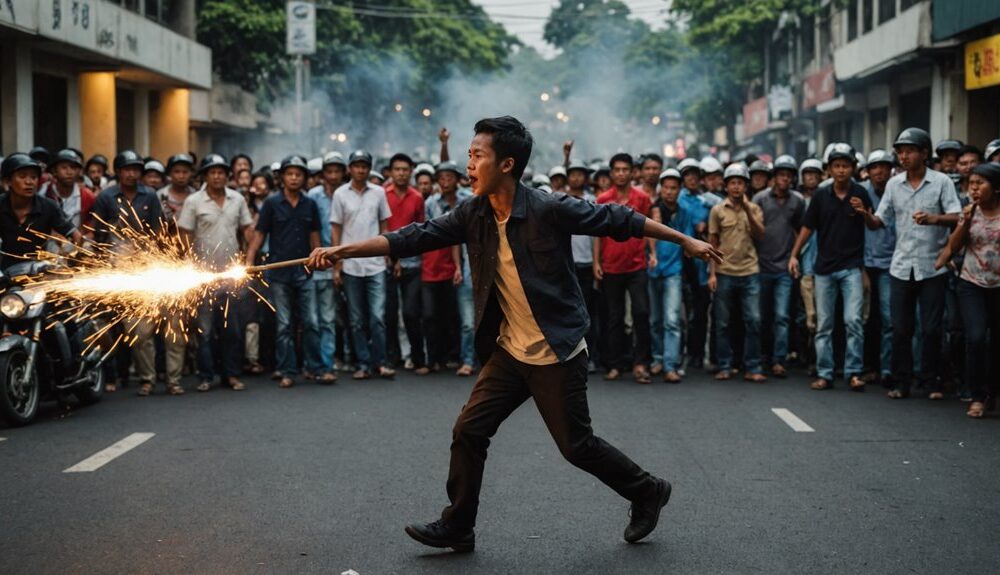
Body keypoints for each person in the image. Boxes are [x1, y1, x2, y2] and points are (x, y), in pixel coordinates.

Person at [307, 115, 723, 552]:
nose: (468, 164)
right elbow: (411, 238)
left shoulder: (548, 208)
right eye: (468, 155)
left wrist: (686, 241)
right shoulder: (472, 214)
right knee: (469, 430)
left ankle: (647, 490)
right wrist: (341, 251)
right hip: (509, 351)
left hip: (556, 350)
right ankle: (458, 525)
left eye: (477, 155)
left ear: (506, 164)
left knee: (576, 447)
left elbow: (620, 219)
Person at [859, 128, 962, 400]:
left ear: (925, 153)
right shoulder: (894, 184)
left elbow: (958, 217)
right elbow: (879, 221)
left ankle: (930, 381)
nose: (903, 156)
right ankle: (901, 381)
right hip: (901, 265)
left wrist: (933, 219)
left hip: (932, 265)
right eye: (900, 151)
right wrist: (864, 215)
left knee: (930, 329)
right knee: (900, 328)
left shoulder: (941, 182)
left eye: (909, 150)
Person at [789, 144, 870, 391]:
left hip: (851, 267)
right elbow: (806, 228)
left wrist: (864, 213)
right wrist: (794, 255)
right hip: (823, 268)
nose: (841, 170)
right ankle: (825, 372)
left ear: (853, 168)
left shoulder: (860, 194)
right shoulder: (821, 196)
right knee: (824, 324)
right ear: (829, 170)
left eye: (846, 165)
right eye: (837, 166)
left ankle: (854, 372)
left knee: (853, 320)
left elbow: (876, 224)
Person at [244, 155, 322, 389]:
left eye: (299, 174)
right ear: (283, 178)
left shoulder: (310, 204)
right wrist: (249, 260)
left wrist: (317, 260)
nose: (294, 177)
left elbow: (315, 238)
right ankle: (287, 370)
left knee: (311, 322)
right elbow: (259, 236)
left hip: (304, 273)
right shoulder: (271, 203)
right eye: (290, 173)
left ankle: (315, 368)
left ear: (304, 178)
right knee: (285, 324)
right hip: (278, 275)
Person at [178, 154, 254, 392]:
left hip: (231, 274)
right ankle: (206, 376)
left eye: (221, 172)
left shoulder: (237, 199)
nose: (218, 176)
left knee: (231, 328)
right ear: (205, 176)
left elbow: (247, 230)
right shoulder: (194, 201)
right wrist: (188, 264)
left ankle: (231, 375)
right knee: (205, 330)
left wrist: (249, 259)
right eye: (213, 172)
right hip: (203, 275)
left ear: (226, 175)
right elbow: (185, 234)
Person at [92, 150, 164, 393]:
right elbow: (98, 236)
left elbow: (158, 233)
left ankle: (147, 379)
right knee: (111, 327)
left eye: (136, 169)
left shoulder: (150, 196)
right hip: (113, 269)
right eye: (127, 169)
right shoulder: (106, 197)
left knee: (142, 330)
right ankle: (113, 376)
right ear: (118, 172)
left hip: (142, 269)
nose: (132, 173)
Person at [935, 163, 1000, 418]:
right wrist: (966, 221)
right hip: (971, 282)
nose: (973, 188)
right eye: (971, 183)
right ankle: (975, 395)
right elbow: (954, 246)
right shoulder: (968, 212)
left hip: (998, 286)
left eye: (980, 183)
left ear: (995, 188)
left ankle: (991, 391)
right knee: (975, 337)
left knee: (996, 341)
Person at [331, 150, 394, 380]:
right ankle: (363, 363)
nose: (360, 170)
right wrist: (336, 265)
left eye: (364, 166)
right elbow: (335, 229)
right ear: (350, 168)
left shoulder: (379, 192)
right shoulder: (340, 194)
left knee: (377, 316)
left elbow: (384, 225)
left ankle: (381, 362)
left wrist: (388, 253)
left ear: (369, 168)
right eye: (356, 166)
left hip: (376, 264)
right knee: (357, 320)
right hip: (350, 266)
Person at [595, 152, 654, 384]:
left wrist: (653, 254)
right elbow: (597, 234)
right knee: (614, 317)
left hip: (637, 264)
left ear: (632, 172)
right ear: (611, 173)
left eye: (624, 169)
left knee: (641, 313)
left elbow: (650, 229)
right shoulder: (602, 199)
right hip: (611, 265)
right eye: (617, 169)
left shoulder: (642, 198)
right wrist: (597, 262)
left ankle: (641, 363)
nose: (621, 173)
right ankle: (615, 364)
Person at [708, 163, 766, 382]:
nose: (736, 187)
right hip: (724, 271)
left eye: (740, 183)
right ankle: (725, 365)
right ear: (726, 186)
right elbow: (712, 244)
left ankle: (753, 366)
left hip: (750, 271)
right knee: (723, 322)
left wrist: (748, 210)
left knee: (753, 320)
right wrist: (712, 274)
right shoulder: (717, 210)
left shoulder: (754, 208)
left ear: (746, 186)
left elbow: (761, 234)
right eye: (732, 183)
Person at [752, 155, 804, 378]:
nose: (785, 179)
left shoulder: (798, 200)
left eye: (789, 176)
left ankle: (779, 360)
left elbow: (802, 230)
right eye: (781, 175)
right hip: (761, 266)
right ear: (774, 178)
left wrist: (794, 256)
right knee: (761, 315)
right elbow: (752, 230)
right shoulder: (760, 198)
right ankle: (763, 355)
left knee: (782, 316)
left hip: (784, 266)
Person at [305, 151, 348, 383]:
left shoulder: (345, 195)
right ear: (323, 174)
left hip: (336, 263)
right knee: (311, 320)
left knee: (329, 319)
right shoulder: (312, 196)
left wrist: (337, 266)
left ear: (343, 173)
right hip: (314, 263)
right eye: (329, 171)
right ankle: (313, 365)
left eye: (337, 171)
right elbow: (311, 230)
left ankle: (328, 364)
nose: (333, 175)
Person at [421, 161, 468, 374]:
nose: (445, 181)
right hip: (435, 263)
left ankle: (456, 356)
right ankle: (434, 358)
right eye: (441, 178)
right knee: (432, 315)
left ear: (458, 180)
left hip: (460, 263)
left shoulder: (468, 200)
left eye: (450, 177)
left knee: (455, 315)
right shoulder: (431, 203)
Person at [649, 169, 695, 382]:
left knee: (672, 320)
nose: (669, 191)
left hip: (674, 271)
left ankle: (670, 364)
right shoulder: (653, 210)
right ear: (661, 189)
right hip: (653, 270)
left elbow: (688, 240)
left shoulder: (684, 212)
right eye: (665, 187)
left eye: (673, 188)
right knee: (655, 319)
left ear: (679, 190)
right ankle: (658, 359)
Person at [383, 153, 426, 372]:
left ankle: (418, 357)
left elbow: (422, 232)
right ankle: (393, 357)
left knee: (411, 312)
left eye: (405, 169)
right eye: (397, 169)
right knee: (389, 313)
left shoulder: (417, 197)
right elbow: (380, 229)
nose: (401, 173)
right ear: (390, 172)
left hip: (413, 263)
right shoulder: (382, 194)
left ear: (411, 172)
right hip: (387, 262)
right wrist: (392, 258)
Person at [0, 153, 82, 269]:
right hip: (5, 270)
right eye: (22, 176)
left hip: (40, 268)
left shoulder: (48, 206)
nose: (29, 182)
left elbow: (76, 236)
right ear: (8, 181)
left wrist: (75, 259)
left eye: (33, 177)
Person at [861, 150, 897, 387]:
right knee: (862, 318)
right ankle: (865, 366)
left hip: (890, 264)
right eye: (875, 167)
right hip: (862, 262)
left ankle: (886, 369)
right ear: (868, 170)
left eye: (884, 167)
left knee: (888, 318)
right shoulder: (860, 192)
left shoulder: (897, 190)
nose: (879, 171)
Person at [42, 149, 95, 234]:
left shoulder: (87, 196)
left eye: (73, 168)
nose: (69, 172)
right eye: (64, 168)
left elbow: (91, 227)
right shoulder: (44, 193)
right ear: (54, 171)